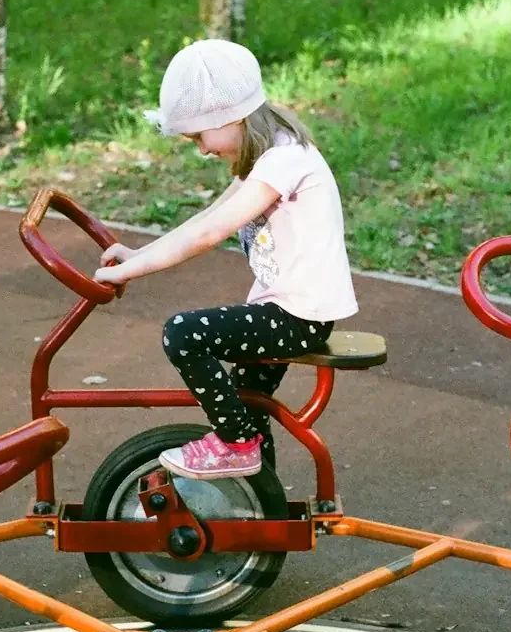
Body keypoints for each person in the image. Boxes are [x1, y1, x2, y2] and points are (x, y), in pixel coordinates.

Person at [93, 39, 358, 481]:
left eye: (199, 136)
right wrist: (137, 255)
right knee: (249, 407)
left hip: (298, 318)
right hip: (287, 311)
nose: (200, 149)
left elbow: (208, 235)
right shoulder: (270, 153)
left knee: (185, 334)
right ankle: (259, 495)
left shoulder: (283, 161)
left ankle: (235, 445)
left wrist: (128, 272)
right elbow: (207, 218)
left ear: (229, 118)